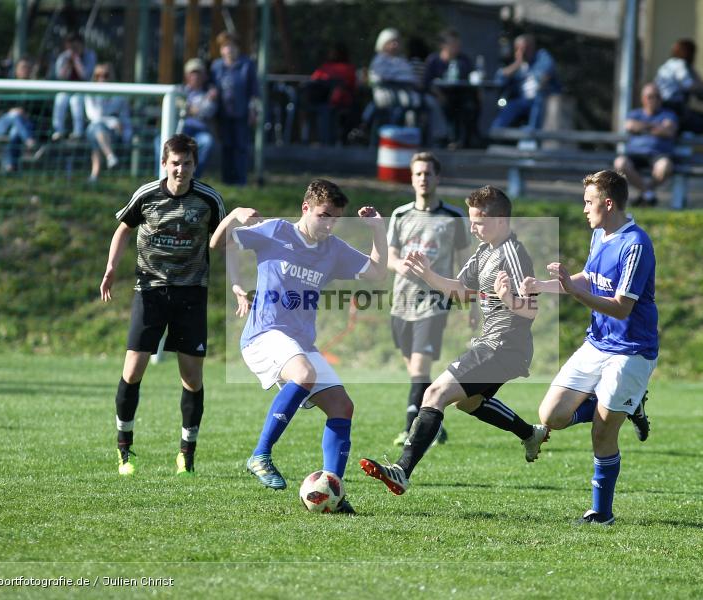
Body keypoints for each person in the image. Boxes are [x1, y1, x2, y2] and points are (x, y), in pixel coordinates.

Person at [210, 179, 388, 514]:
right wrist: (234, 214)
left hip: (300, 342)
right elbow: (218, 243)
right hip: (263, 335)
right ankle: (260, 455)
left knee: (342, 406)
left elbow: (378, 272)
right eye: (324, 215)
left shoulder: (333, 248)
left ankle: (331, 489)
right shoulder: (276, 231)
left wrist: (378, 229)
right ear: (305, 208)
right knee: (303, 373)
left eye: (336, 218)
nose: (330, 224)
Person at [360, 185, 550, 496]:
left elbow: (531, 310)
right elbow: (462, 289)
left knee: (435, 392)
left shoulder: (513, 254)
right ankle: (529, 433)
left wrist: (508, 299)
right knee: (467, 401)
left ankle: (402, 470)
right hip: (493, 343)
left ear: (501, 219)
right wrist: (427, 274)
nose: (472, 227)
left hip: (503, 345)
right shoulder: (485, 251)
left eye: (479, 221)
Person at [520, 170, 657, 525]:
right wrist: (544, 285)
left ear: (607, 203)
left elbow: (622, 306)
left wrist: (575, 293)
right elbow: (588, 277)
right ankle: (626, 405)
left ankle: (602, 512)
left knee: (602, 433)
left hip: (631, 349)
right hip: (597, 343)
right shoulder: (600, 234)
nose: (584, 209)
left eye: (588, 202)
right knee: (551, 416)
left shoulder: (636, 245)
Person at [100, 133, 228, 477]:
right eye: (175, 163)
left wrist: (239, 285)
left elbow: (223, 242)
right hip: (150, 290)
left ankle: (187, 452)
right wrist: (111, 268)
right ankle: (124, 449)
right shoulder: (147, 195)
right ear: (164, 164)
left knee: (191, 378)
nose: (181, 170)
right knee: (133, 369)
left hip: (191, 293)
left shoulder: (208, 199)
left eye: (187, 164)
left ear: (194, 165)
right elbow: (123, 228)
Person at [387, 152, 472, 447]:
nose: (423, 178)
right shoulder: (400, 215)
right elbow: (391, 256)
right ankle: (433, 423)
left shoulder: (452, 218)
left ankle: (411, 427)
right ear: (412, 179)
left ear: (437, 178)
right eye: (418, 174)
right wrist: (399, 265)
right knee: (414, 369)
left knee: (421, 367)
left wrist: (466, 299)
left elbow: (464, 261)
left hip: (434, 301)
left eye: (428, 173)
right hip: (401, 301)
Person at [614, 83, 678, 207]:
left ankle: (645, 194)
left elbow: (668, 131)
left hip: (658, 154)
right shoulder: (635, 113)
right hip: (634, 154)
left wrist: (642, 126)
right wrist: (656, 126)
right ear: (643, 98)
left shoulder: (669, 114)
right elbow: (630, 125)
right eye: (650, 96)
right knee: (620, 163)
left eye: (657, 96)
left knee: (665, 167)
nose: (653, 100)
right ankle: (648, 194)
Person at [155, 58, 217, 179]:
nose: (195, 77)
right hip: (178, 131)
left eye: (198, 73)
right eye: (192, 73)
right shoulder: (178, 90)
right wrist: (195, 108)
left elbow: (208, 111)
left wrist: (189, 108)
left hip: (198, 132)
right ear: (187, 75)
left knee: (207, 141)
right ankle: (163, 177)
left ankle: (193, 178)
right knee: (159, 141)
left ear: (204, 76)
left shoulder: (210, 93)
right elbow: (173, 108)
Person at [210, 31, 258, 185]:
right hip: (223, 114)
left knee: (241, 147)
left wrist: (253, 110)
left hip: (242, 113)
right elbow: (211, 86)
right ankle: (227, 180)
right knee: (227, 147)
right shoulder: (216, 66)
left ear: (237, 47)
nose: (228, 49)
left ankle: (240, 180)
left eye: (231, 46)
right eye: (225, 46)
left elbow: (254, 91)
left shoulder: (247, 65)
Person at [491, 34, 560, 131]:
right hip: (522, 100)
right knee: (509, 107)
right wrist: (517, 63)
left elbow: (547, 71)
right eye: (517, 49)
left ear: (531, 47)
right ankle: (495, 132)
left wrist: (540, 82)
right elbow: (499, 78)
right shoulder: (517, 65)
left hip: (541, 98)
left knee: (538, 101)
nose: (521, 52)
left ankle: (532, 133)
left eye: (523, 48)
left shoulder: (541, 56)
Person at [424, 28, 480, 148]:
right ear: (443, 45)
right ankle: (447, 138)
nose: (457, 47)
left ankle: (467, 140)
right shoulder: (434, 60)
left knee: (470, 105)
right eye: (453, 44)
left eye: (458, 44)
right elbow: (427, 82)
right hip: (440, 94)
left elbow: (471, 77)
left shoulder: (463, 60)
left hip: (459, 94)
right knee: (446, 105)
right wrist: (439, 95)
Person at [84, 62, 132, 183]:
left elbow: (125, 117)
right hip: (96, 127)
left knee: (97, 133)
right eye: (98, 75)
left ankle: (95, 175)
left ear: (111, 76)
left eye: (105, 75)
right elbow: (93, 115)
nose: (101, 78)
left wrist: (126, 135)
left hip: (114, 132)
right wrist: (112, 121)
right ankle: (110, 156)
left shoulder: (120, 95)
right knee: (97, 128)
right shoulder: (90, 92)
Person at [0, 57, 40, 173]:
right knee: (15, 116)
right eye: (23, 67)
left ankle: (10, 167)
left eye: (28, 68)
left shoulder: (36, 88)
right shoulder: (7, 86)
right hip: (3, 124)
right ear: (16, 69)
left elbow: (41, 113)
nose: (26, 70)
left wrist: (26, 115)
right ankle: (29, 141)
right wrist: (11, 111)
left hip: (24, 125)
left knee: (15, 131)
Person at [306, 43, 357, 146]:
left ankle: (329, 141)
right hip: (324, 102)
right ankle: (321, 140)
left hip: (339, 102)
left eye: (334, 52)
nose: (332, 54)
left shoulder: (347, 68)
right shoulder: (325, 67)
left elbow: (352, 86)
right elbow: (314, 81)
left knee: (328, 112)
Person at [51, 32, 96, 141]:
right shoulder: (63, 57)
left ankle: (78, 132)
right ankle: (58, 131)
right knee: (60, 99)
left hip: (82, 89)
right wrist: (68, 63)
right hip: (66, 89)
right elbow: (60, 76)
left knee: (76, 101)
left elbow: (85, 75)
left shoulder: (90, 55)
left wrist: (76, 60)